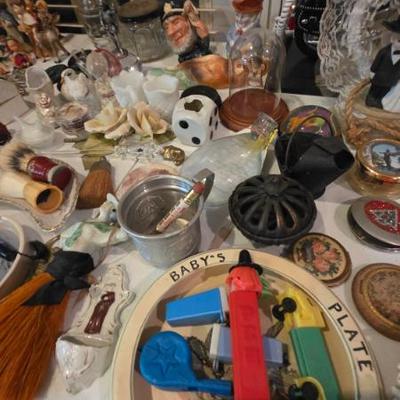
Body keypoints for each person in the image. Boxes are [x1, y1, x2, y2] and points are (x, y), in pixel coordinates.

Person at [366, 15, 400, 112]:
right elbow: (376, 63)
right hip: (380, 77)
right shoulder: (384, 52)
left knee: (388, 92)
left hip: (393, 80)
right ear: (392, 38)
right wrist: (372, 73)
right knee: (375, 91)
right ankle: (372, 99)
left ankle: (383, 103)